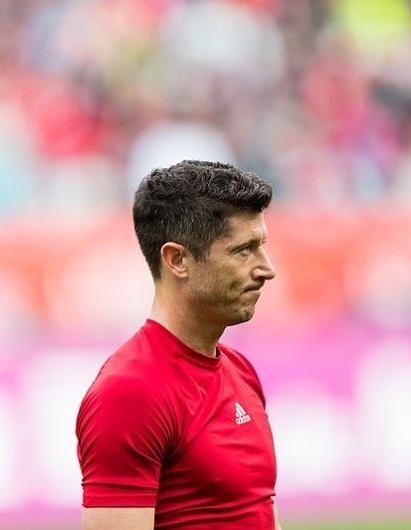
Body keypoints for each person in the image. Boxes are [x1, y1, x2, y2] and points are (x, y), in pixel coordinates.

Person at [76, 159, 281, 529]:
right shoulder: (130, 392)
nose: (267, 269)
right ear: (177, 260)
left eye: (261, 245)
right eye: (244, 250)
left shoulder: (240, 371)